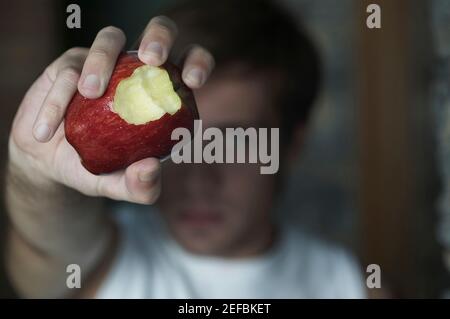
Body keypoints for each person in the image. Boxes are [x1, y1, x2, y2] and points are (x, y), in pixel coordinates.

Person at [4, 0, 365, 298]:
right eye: (179, 142)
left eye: (232, 144)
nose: (198, 178)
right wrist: (35, 175)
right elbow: (42, 254)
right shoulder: (102, 262)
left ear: (292, 144)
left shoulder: (350, 287)